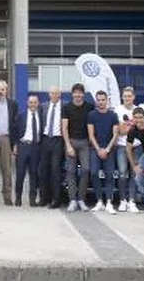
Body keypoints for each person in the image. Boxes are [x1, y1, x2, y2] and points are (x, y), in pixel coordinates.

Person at [62, 83, 94, 212]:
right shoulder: (66, 107)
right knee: (71, 171)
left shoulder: (89, 107)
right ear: (72, 94)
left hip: (85, 143)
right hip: (71, 142)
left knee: (86, 170)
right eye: (75, 92)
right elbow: (64, 128)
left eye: (80, 92)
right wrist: (68, 145)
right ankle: (72, 200)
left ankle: (81, 199)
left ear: (83, 94)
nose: (77, 95)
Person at [87, 91, 119, 215]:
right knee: (94, 173)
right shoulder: (91, 115)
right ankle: (99, 201)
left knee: (109, 175)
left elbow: (115, 134)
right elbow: (91, 135)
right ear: (96, 101)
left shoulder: (113, 115)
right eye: (99, 100)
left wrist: (107, 149)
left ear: (107, 101)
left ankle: (109, 202)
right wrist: (98, 149)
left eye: (103, 100)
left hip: (109, 149)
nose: (101, 102)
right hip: (95, 148)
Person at [0, 80, 19, 206]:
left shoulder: (13, 104)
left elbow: (15, 125)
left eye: (2, 89)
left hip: (6, 139)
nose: (0, 92)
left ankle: (7, 197)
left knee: (7, 170)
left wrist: (15, 144)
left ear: (6, 90)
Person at [114, 87, 140, 213]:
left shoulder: (139, 110)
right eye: (125, 96)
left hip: (136, 146)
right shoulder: (118, 110)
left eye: (129, 96)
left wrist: (127, 125)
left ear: (133, 97)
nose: (127, 98)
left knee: (134, 174)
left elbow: (139, 129)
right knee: (122, 173)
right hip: (121, 146)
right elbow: (121, 131)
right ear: (122, 97)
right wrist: (133, 124)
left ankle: (132, 201)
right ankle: (122, 200)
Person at [13, 94, 42, 207]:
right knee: (20, 174)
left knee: (34, 174)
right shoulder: (21, 116)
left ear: (38, 103)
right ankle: (18, 198)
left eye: (35, 102)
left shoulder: (41, 116)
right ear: (27, 103)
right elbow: (14, 131)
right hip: (23, 146)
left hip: (36, 147)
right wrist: (15, 145)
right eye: (31, 102)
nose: (33, 104)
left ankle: (32, 199)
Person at [39, 86, 65, 209]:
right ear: (49, 94)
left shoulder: (65, 106)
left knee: (55, 170)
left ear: (60, 95)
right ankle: (44, 198)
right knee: (43, 170)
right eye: (52, 93)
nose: (54, 95)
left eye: (56, 93)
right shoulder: (43, 106)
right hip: (45, 139)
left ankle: (56, 199)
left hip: (58, 140)